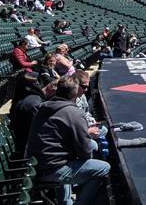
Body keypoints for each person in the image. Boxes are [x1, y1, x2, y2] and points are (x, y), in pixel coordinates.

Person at [28, 75, 109, 205]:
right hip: (51, 169)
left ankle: (65, 200)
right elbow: (85, 152)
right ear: (75, 93)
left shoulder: (44, 106)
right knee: (104, 167)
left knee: (90, 147)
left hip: (36, 164)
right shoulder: (74, 113)